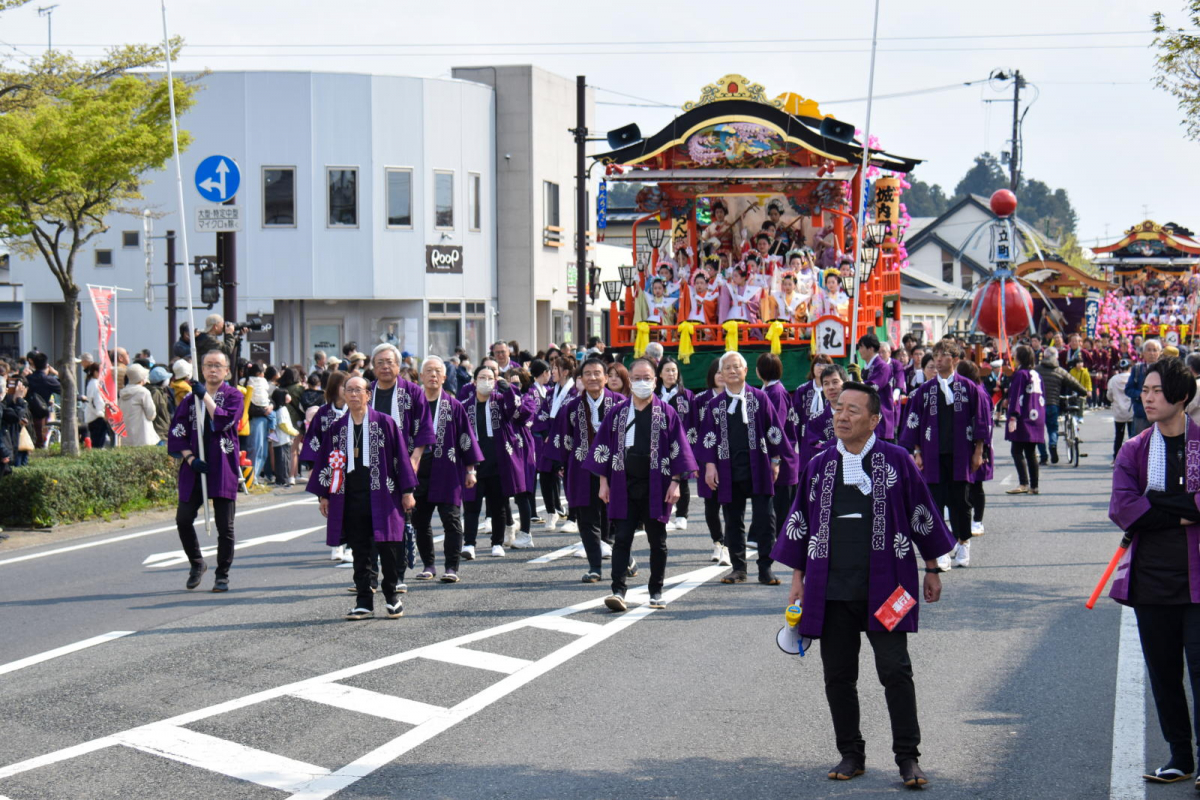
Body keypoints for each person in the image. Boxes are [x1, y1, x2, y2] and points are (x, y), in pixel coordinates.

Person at [771, 381, 955, 789]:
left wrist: (932, 567)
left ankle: (908, 757)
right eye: (838, 408)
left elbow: (921, 511)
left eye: (853, 410)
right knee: (838, 674)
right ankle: (850, 752)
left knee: (896, 671)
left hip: (888, 586)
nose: (842, 415)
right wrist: (797, 579)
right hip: (828, 586)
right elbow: (800, 521)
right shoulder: (819, 464)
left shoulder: (897, 459)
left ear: (875, 420)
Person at [1107, 357, 1200, 786]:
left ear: (1181, 396)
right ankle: (1181, 756)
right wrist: (1183, 513)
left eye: (1157, 391)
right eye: (1145, 389)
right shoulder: (1135, 448)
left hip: (1197, 579)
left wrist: (1155, 505)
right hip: (1152, 579)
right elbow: (1124, 508)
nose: (1147, 397)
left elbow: (1144, 505)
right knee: (1163, 673)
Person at [588, 357, 697, 611]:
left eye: (646, 378)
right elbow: (602, 447)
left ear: (655, 381)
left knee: (657, 540)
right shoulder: (617, 413)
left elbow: (679, 448)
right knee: (622, 537)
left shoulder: (667, 412)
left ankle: (656, 589)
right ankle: (618, 589)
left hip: (657, 483)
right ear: (630, 381)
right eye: (636, 378)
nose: (641, 383)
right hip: (623, 481)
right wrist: (603, 483)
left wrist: (676, 481)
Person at [307, 375, 416, 621]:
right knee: (360, 550)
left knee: (389, 547)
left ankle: (391, 597)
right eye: (349, 390)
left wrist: (407, 491)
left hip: (384, 495)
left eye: (359, 390)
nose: (354, 394)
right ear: (343, 394)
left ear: (368, 394)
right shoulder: (337, 428)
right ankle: (364, 601)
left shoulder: (386, 423)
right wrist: (323, 495)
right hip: (350, 497)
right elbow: (325, 460)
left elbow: (401, 457)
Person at [698, 351, 785, 585]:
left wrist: (776, 461)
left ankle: (765, 567)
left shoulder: (760, 398)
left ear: (746, 371)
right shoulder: (714, 405)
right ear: (721, 374)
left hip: (759, 466)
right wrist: (709, 466)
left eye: (737, 367)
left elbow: (774, 430)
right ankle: (738, 568)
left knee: (766, 518)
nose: (733, 371)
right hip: (728, 469)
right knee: (732, 518)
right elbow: (707, 438)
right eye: (727, 368)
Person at [898, 339, 987, 569]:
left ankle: (963, 541)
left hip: (962, 455)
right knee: (935, 503)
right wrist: (916, 451)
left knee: (961, 501)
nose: (937, 359)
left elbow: (980, 422)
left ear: (955, 359)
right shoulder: (924, 391)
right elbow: (914, 421)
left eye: (943, 354)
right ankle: (942, 549)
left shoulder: (969, 388)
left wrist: (978, 451)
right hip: (931, 455)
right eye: (935, 354)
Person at [167, 350, 244, 592]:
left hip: (222, 464)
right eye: (208, 365)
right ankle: (197, 563)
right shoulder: (189, 400)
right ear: (201, 370)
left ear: (226, 371)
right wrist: (189, 459)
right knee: (183, 519)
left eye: (217, 366)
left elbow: (225, 422)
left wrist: (206, 399)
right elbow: (177, 431)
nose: (212, 370)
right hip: (195, 466)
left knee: (225, 526)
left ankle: (222, 574)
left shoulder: (234, 396)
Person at [408, 356, 481, 582]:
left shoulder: (453, 405)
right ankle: (429, 565)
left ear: (444, 377)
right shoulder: (412, 405)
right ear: (421, 376)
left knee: (451, 519)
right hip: (418, 469)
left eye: (438, 371)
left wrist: (470, 469)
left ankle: (451, 567)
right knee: (420, 521)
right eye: (428, 371)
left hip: (447, 468)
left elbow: (466, 439)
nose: (433, 375)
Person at [550, 357, 621, 582]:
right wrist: (561, 464)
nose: (592, 377)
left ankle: (625, 560)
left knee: (618, 518)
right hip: (581, 469)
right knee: (586, 519)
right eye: (587, 374)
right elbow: (562, 438)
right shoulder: (571, 407)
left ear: (606, 377)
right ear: (580, 379)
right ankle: (595, 567)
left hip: (614, 470)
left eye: (597, 373)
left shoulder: (620, 404)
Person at [461, 365, 526, 559]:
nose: (486, 381)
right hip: (474, 461)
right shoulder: (465, 406)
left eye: (491, 377)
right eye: (482, 377)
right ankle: (469, 543)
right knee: (471, 505)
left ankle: (497, 543)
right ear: (474, 382)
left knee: (498, 505)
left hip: (498, 460)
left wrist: (510, 391)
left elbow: (520, 413)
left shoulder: (501, 401)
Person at [299, 370, 350, 560]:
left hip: (352, 466)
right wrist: (313, 466)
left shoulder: (356, 410)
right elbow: (313, 440)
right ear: (335, 387)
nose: (348, 390)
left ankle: (352, 545)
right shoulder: (323, 413)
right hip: (330, 468)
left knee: (354, 507)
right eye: (344, 386)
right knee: (332, 506)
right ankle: (337, 545)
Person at [757, 353, 801, 552]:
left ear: (760, 371)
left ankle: (784, 545)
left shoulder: (776, 392)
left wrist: (774, 456)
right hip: (777, 454)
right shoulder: (770, 390)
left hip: (781, 455)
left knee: (782, 504)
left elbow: (777, 426)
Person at [694, 359, 729, 565]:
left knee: (732, 505)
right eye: (717, 372)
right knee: (711, 504)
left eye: (723, 371)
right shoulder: (700, 400)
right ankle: (718, 541)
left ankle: (730, 545)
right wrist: (695, 460)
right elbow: (691, 431)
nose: (721, 375)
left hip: (730, 458)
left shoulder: (736, 398)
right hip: (706, 457)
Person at [656, 357, 696, 531]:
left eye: (674, 370)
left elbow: (693, 420)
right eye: (667, 370)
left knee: (682, 478)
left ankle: (682, 515)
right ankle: (662, 513)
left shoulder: (686, 395)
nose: (671, 374)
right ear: (660, 374)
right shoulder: (654, 394)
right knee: (659, 478)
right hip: (657, 443)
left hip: (681, 441)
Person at [956, 359, 994, 537]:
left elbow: (984, 422)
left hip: (979, 444)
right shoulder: (976, 389)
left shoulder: (977, 392)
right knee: (968, 486)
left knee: (976, 485)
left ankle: (978, 520)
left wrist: (982, 449)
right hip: (968, 442)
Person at [1035, 346, 1088, 465]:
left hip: (1038, 404)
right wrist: (1084, 392)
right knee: (1053, 428)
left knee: (1038, 431)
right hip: (1053, 404)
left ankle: (1043, 456)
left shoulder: (1036, 370)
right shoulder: (1060, 371)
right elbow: (1074, 383)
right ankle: (1053, 445)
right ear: (1056, 358)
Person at [1005, 345, 1046, 496]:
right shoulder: (1037, 374)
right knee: (1031, 452)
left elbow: (1016, 396)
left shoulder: (1021, 374)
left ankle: (1023, 482)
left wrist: (1013, 416)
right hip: (1037, 416)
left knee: (1016, 450)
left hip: (1023, 416)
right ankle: (1034, 486)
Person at [799, 363, 848, 465]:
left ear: (845, 383)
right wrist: (842, 437)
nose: (830, 387)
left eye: (835, 382)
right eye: (826, 383)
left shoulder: (857, 415)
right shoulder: (815, 420)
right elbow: (816, 449)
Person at [858, 334, 896, 441]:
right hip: (868, 415)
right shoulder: (866, 367)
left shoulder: (882, 367)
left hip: (881, 417)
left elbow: (872, 388)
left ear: (870, 349)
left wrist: (856, 383)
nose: (859, 350)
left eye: (861, 347)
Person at [1128, 339, 1164, 436]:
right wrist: (1141, 394)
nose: (1152, 353)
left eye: (1155, 350)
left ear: (1160, 353)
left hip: (1161, 413)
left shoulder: (1165, 370)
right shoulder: (1137, 369)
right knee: (1140, 443)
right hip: (1141, 413)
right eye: (1149, 350)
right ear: (1143, 353)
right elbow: (1128, 389)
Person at [118, 363, 159, 447]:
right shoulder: (143, 392)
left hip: (127, 437)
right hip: (143, 436)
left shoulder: (122, 393)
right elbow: (151, 415)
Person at [24, 352, 59, 449]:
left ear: (33, 364)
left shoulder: (28, 379)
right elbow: (66, 389)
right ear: (46, 365)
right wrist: (56, 373)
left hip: (29, 412)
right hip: (43, 412)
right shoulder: (49, 380)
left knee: (34, 436)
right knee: (42, 435)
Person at [269, 387, 299, 486]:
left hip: (279, 439)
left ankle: (280, 479)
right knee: (284, 460)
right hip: (283, 439)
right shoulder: (282, 410)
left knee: (280, 460)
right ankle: (283, 479)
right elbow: (284, 425)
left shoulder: (278, 409)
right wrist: (294, 432)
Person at [1108, 359, 1134, 460]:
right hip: (1131, 410)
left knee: (1119, 436)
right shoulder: (1132, 378)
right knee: (1132, 436)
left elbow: (1109, 395)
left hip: (1119, 411)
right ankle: (1132, 459)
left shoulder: (1113, 379)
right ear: (1129, 368)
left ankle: (1116, 458)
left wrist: (1113, 400)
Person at [81, 362, 110, 449]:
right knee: (99, 444)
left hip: (91, 416)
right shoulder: (97, 384)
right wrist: (102, 414)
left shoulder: (91, 383)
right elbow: (98, 401)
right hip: (98, 417)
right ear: (96, 372)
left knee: (95, 443)